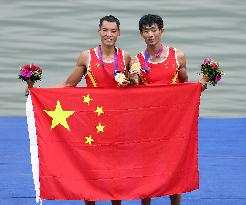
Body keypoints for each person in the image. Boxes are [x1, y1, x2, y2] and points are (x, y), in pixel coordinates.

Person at [129, 14, 207, 205]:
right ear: (141, 34)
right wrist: (132, 78)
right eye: (146, 31)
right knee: (146, 167)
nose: (150, 34)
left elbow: (183, 86)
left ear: (161, 31)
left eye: (154, 29)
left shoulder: (177, 56)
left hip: (173, 122)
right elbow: (135, 90)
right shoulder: (137, 60)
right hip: (148, 122)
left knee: (174, 165)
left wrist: (200, 84)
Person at [56, 15, 131, 205]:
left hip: (118, 121)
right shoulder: (86, 56)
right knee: (91, 167)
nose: (109, 34)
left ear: (119, 33)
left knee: (117, 169)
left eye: (113, 31)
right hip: (93, 121)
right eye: (105, 30)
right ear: (99, 32)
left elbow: (137, 86)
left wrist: (130, 81)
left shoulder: (126, 57)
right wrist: (37, 92)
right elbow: (69, 85)